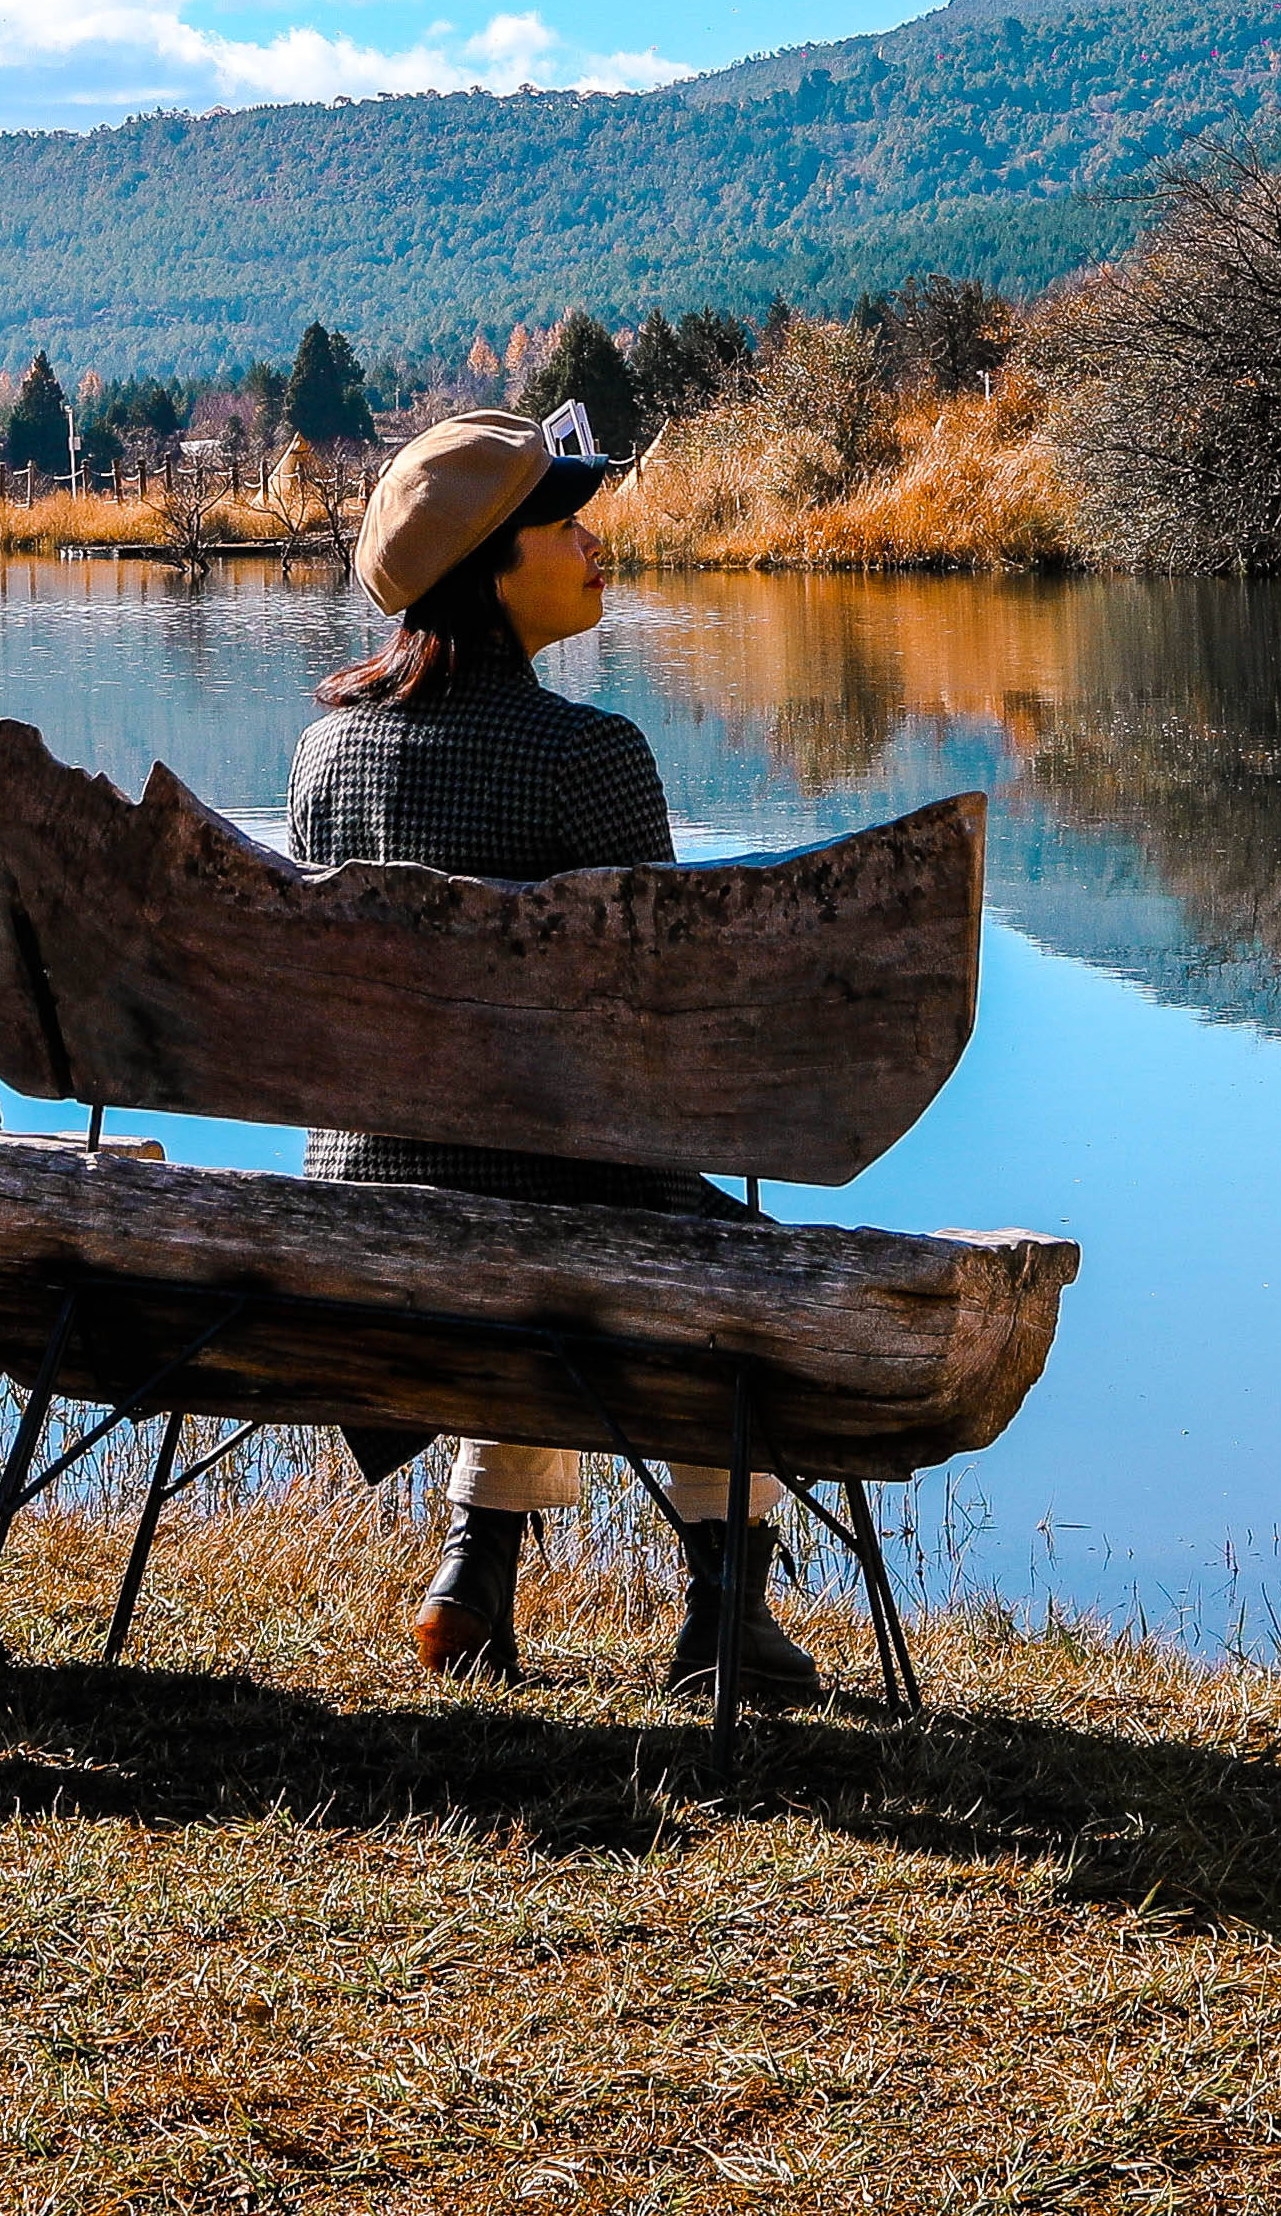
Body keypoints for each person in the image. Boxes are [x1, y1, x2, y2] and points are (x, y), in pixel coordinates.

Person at [289, 400, 821, 1703]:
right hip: (538, 1201)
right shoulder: (592, 760)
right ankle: (724, 1605)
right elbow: (653, 1041)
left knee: (513, 1202)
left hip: (362, 1201)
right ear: (491, 563)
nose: (593, 541)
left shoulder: (322, 749)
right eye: (563, 522)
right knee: (684, 1238)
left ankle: (475, 1566)